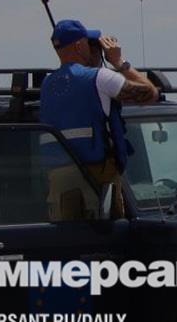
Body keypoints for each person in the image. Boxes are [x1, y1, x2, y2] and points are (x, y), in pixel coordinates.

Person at [40, 19, 158, 218]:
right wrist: (119, 62)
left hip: (58, 179)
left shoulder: (47, 85)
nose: (93, 49)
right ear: (79, 45)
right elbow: (150, 94)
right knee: (104, 235)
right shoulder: (99, 78)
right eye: (89, 44)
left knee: (67, 236)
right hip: (96, 177)